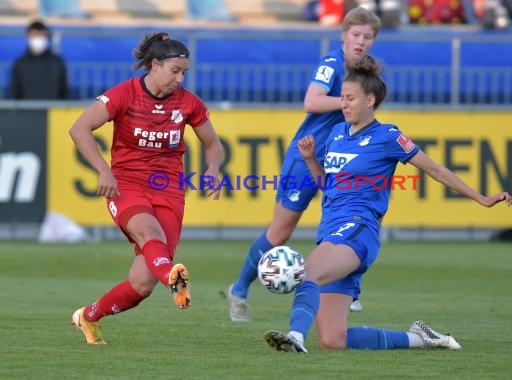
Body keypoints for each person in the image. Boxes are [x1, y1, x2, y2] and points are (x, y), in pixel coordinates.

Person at [264, 55, 512, 353]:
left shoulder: (388, 136)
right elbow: (327, 187)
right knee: (334, 340)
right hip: (330, 230)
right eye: (342, 98)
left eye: (350, 98)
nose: (343, 103)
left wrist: (481, 198)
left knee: (310, 272)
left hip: (358, 230)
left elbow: (435, 169)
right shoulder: (336, 134)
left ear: (370, 100)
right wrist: (310, 160)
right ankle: (423, 339)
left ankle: (295, 336)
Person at [225, 7, 382, 322]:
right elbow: (311, 100)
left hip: (342, 161)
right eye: (356, 35)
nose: (361, 41)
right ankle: (239, 289)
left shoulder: (367, 75)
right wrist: (348, 99)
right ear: (343, 35)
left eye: (367, 37)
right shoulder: (332, 63)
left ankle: (345, 289)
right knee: (280, 232)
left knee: (349, 223)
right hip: (305, 157)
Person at [69, 32, 224, 345]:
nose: (180, 79)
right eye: (175, 71)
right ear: (155, 65)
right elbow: (79, 129)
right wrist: (103, 170)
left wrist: (213, 168)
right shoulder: (124, 94)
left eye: (184, 73)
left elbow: (212, 143)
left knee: (140, 286)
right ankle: (173, 278)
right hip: (126, 184)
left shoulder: (189, 103)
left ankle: (88, 316)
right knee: (149, 233)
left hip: (169, 190)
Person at [10, 20, 68, 99]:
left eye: (41, 35)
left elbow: (64, 90)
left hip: (52, 109)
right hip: (27, 110)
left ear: (47, 36)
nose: (38, 38)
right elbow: (15, 91)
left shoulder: (57, 62)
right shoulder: (20, 63)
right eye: (34, 35)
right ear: (28, 37)